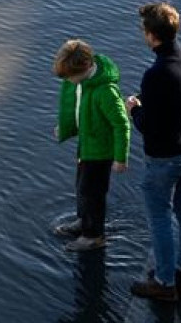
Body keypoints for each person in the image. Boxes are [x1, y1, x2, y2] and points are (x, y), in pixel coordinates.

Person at [126, 2, 181, 302]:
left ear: (151, 36)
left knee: (160, 217)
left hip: (164, 159)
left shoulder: (156, 73)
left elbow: (149, 128)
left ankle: (164, 283)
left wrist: (134, 110)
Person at [52, 39, 131, 251]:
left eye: (70, 76)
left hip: (101, 153)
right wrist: (65, 127)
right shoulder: (83, 84)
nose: (68, 81)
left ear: (86, 68)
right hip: (86, 147)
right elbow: (79, 111)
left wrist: (120, 158)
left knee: (93, 194)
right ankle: (83, 221)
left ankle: (94, 235)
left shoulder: (105, 91)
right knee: (81, 187)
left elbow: (121, 124)